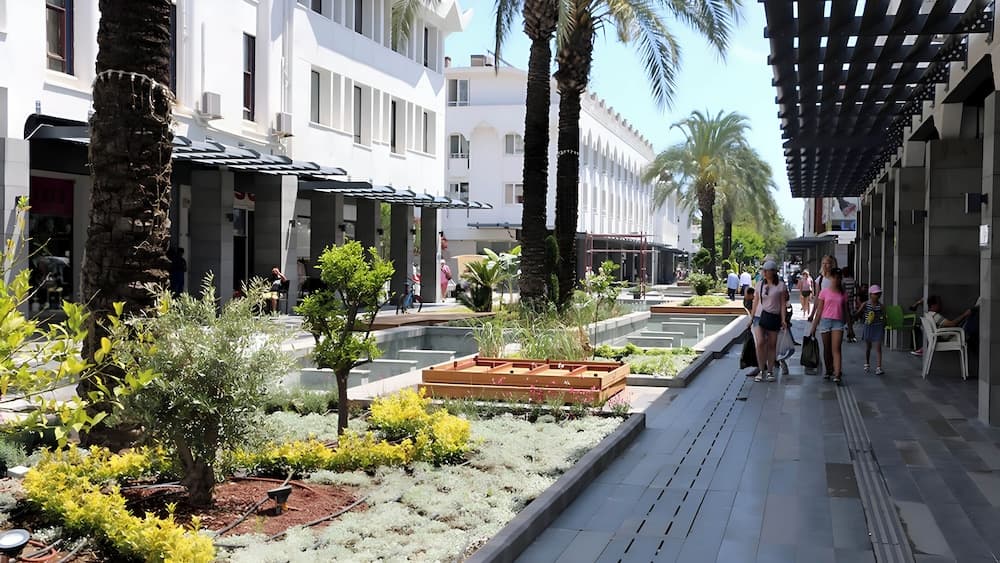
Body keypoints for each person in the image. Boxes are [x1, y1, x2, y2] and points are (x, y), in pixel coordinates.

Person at [808, 267, 848, 384]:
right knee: (827, 348)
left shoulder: (843, 293)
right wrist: (813, 327)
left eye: (838, 278)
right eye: (834, 277)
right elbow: (819, 310)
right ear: (830, 278)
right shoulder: (824, 292)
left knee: (836, 348)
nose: (836, 280)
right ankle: (828, 370)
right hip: (825, 321)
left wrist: (850, 327)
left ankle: (837, 373)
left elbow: (846, 311)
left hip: (838, 322)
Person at [751, 260, 788, 382]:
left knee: (772, 344)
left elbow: (783, 303)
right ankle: (761, 370)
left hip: (773, 316)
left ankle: (770, 371)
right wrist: (751, 317)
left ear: (773, 272)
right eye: (764, 270)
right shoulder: (759, 284)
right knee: (760, 342)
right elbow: (755, 301)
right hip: (759, 316)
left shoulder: (780, 286)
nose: (765, 273)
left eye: (767, 271)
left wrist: (783, 319)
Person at [857, 284, 886, 375]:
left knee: (878, 347)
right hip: (868, 326)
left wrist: (883, 322)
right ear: (870, 294)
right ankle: (867, 363)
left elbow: (884, 316)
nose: (877, 296)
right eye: (875, 294)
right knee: (868, 347)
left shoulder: (881, 306)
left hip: (878, 327)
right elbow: (858, 313)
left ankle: (879, 367)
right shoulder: (865, 304)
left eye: (878, 294)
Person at [842, 266, 858, 342]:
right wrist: (854, 295)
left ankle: (849, 333)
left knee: (845, 318)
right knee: (850, 318)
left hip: (843, 301)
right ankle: (850, 333)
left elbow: (841, 291)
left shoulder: (842, 281)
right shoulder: (853, 281)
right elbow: (858, 288)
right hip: (851, 301)